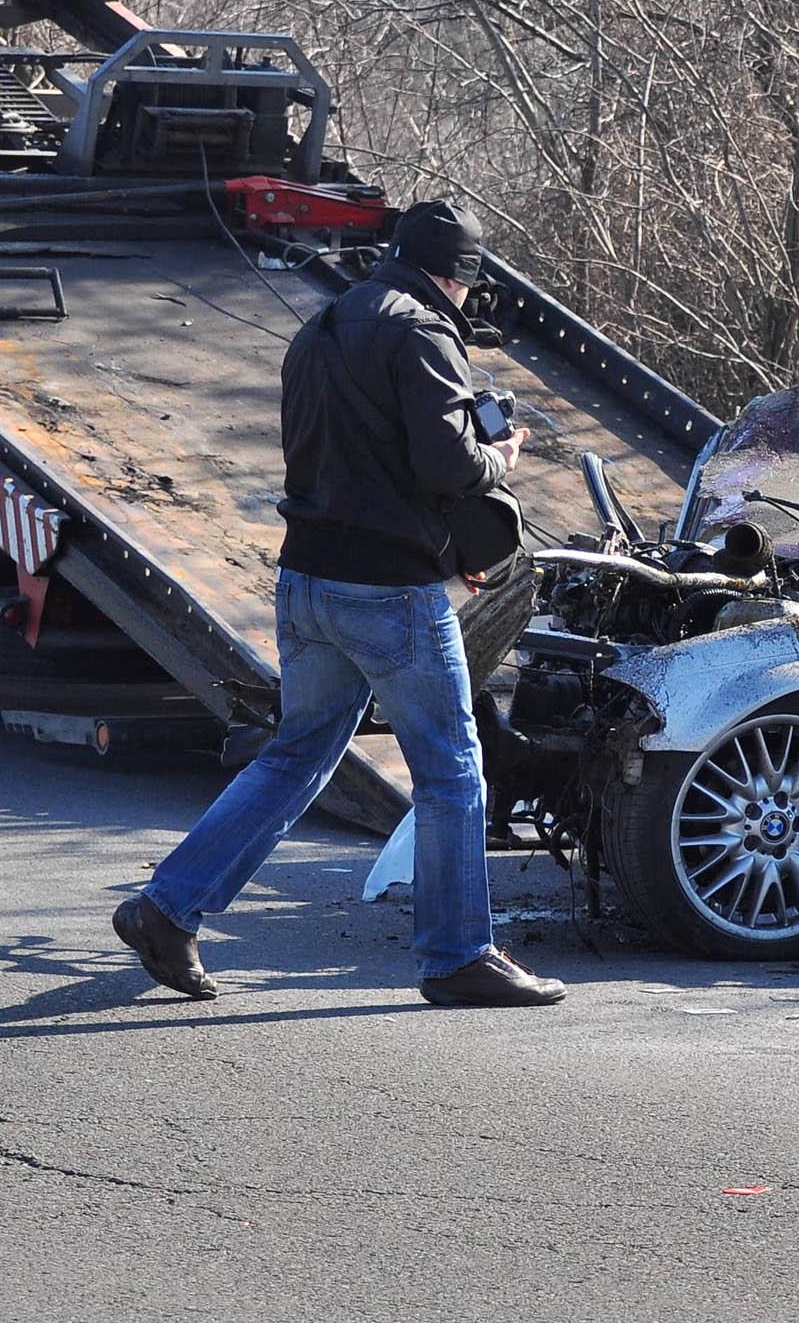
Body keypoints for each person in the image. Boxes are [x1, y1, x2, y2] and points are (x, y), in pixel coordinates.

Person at [111, 201, 567, 1009]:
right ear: (454, 277)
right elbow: (447, 466)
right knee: (454, 769)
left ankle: (167, 908)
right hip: (389, 591)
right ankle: (460, 955)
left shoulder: (320, 328)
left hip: (307, 579)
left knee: (296, 755)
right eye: (468, 285)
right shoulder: (422, 331)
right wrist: (498, 456)